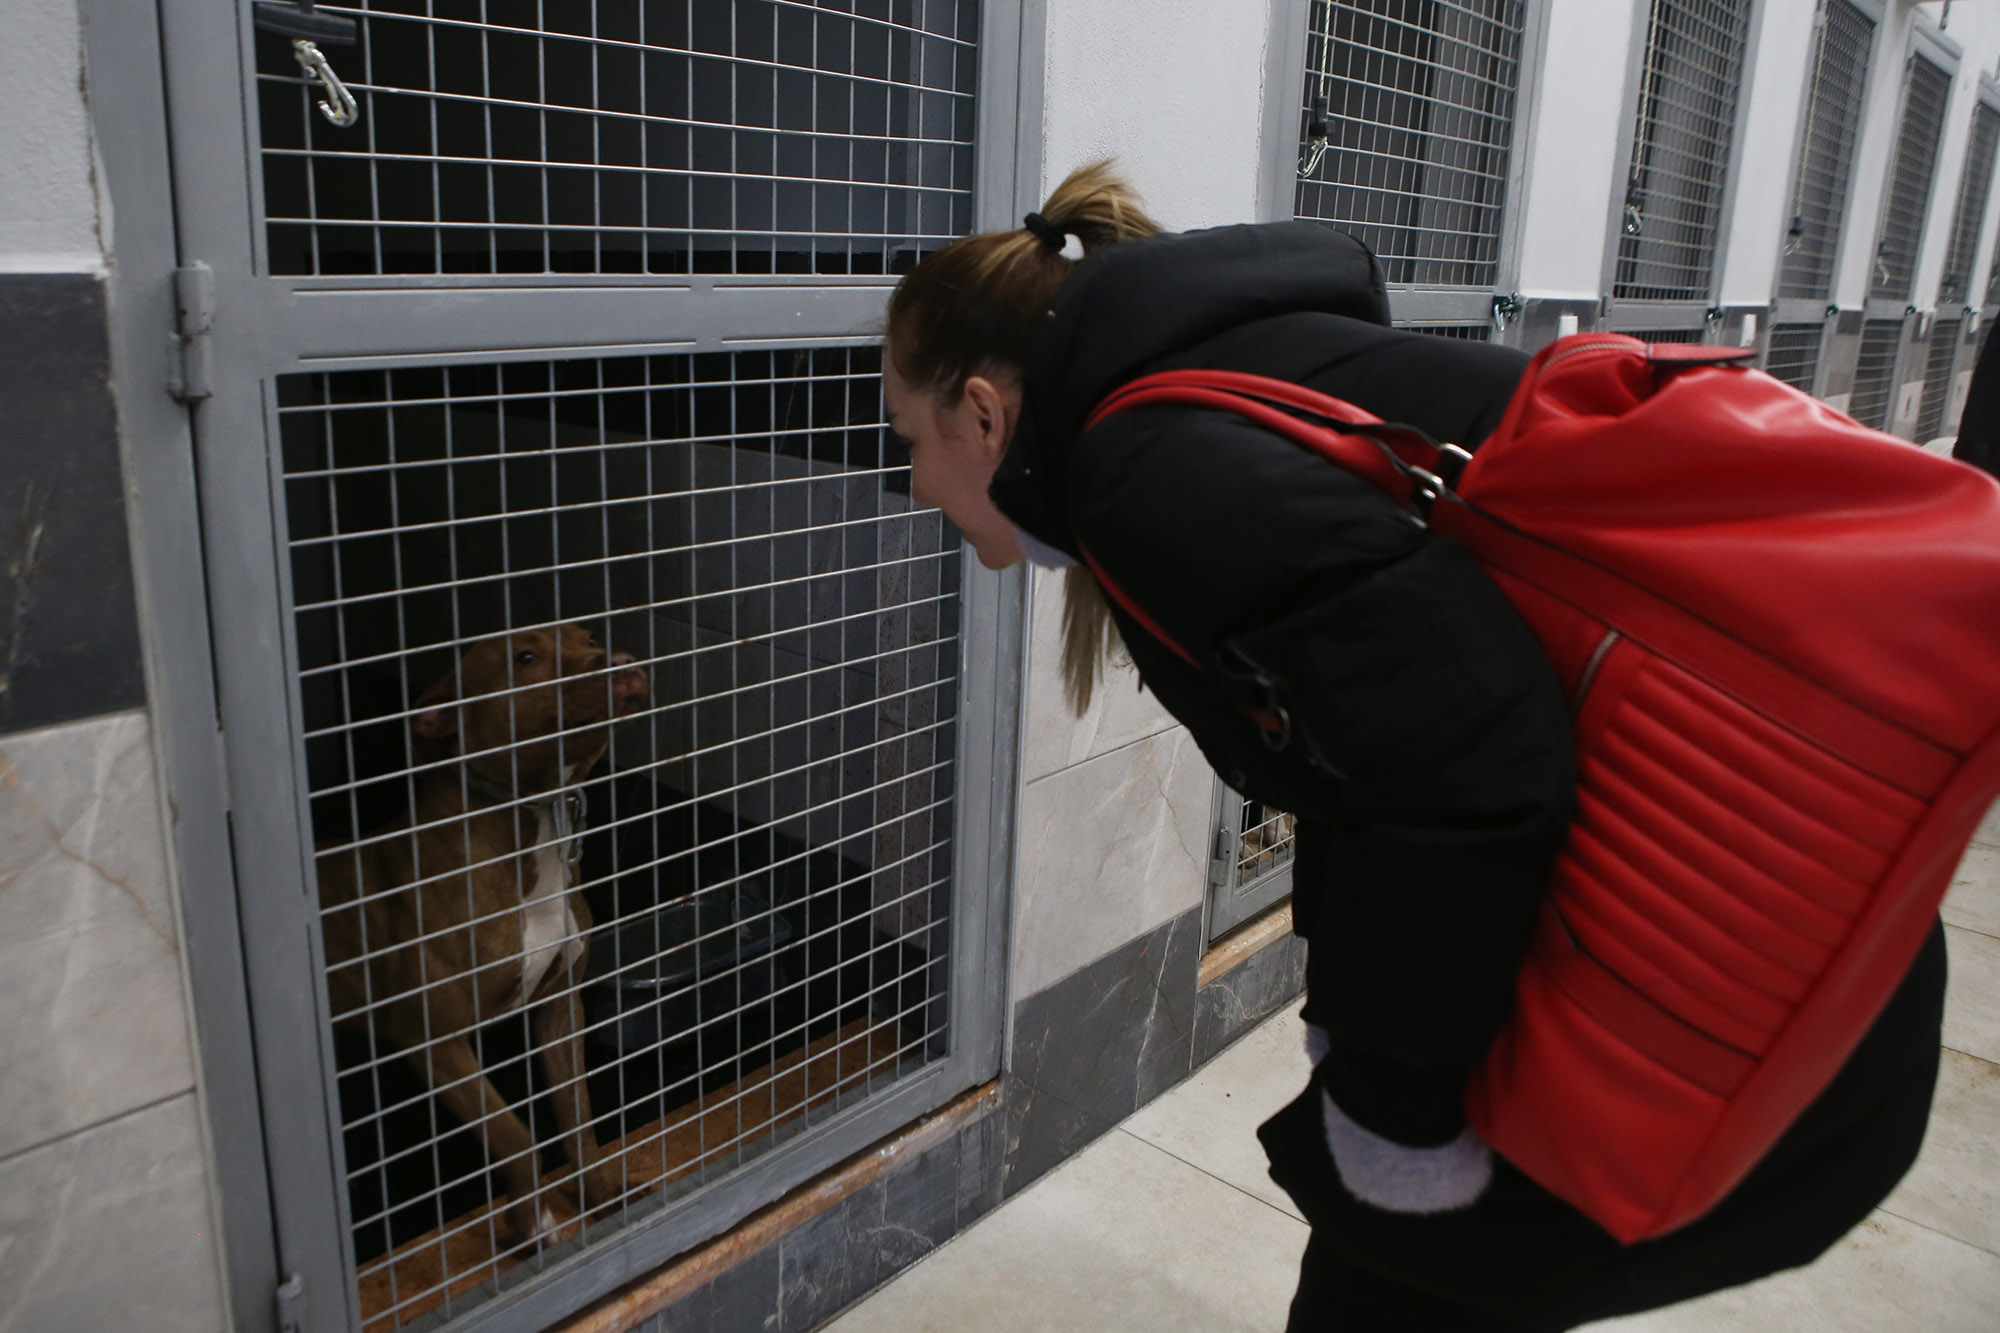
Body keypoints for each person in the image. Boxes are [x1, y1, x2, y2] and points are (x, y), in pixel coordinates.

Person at [882, 162, 1947, 1331]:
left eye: (912, 443)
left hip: (1742, 950)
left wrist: (1390, 1115)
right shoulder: (1210, 386)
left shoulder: (1147, 473)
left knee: (1391, 1282)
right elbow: (1378, 744)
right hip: (1759, 901)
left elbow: (1465, 763)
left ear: (984, 413)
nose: (917, 483)